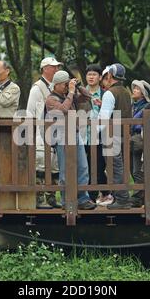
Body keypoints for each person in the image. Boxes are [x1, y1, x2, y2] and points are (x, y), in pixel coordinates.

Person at [45, 70, 96, 210]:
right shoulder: (51, 99)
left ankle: (83, 199)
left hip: (75, 133)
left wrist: (77, 85)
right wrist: (71, 93)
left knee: (83, 167)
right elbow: (62, 110)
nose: (67, 87)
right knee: (65, 170)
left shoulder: (70, 94)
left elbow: (87, 97)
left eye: (67, 84)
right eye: (64, 84)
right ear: (56, 85)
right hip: (61, 136)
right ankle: (66, 200)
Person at [26, 57, 63, 208]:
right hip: (40, 133)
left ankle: (52, 197)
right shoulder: (37, 88)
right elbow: (30, 112)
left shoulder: (55, 87)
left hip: (54, 131)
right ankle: (38, 198)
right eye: (53, 67)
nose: (56, 70)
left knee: (54, 165)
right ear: (45, 69)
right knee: (41, 165)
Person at [98, 63, 133, 209]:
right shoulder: (126, 92)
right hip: (124, 133)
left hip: (112, 135)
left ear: (110, 76)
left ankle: (122, 200)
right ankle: (121, 197)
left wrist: (95, 131)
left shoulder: (109, 93)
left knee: (115, 167)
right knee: (120, 167)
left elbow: (103, 118)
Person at [77, 64, 111, 205]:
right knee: (83, 167)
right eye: (89, 74)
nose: (91, 77)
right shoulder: (79, 94)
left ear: (100, 77)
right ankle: (89, 197)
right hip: (82, 136)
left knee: (98, 166)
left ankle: (104, 192)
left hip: (100, 136)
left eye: (94, 74)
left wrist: (102, 104)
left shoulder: (106, 94)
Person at [128, 80, 150, 207]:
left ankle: (138, 197)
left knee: (137, 169)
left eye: (137, 89)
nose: (134, 90)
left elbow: (137, 122)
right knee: (132, 169)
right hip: (132, 138)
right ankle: (139, 195)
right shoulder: (134, 105)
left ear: (143, 93)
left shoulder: (146, 106)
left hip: (139, 139)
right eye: (135, 88)